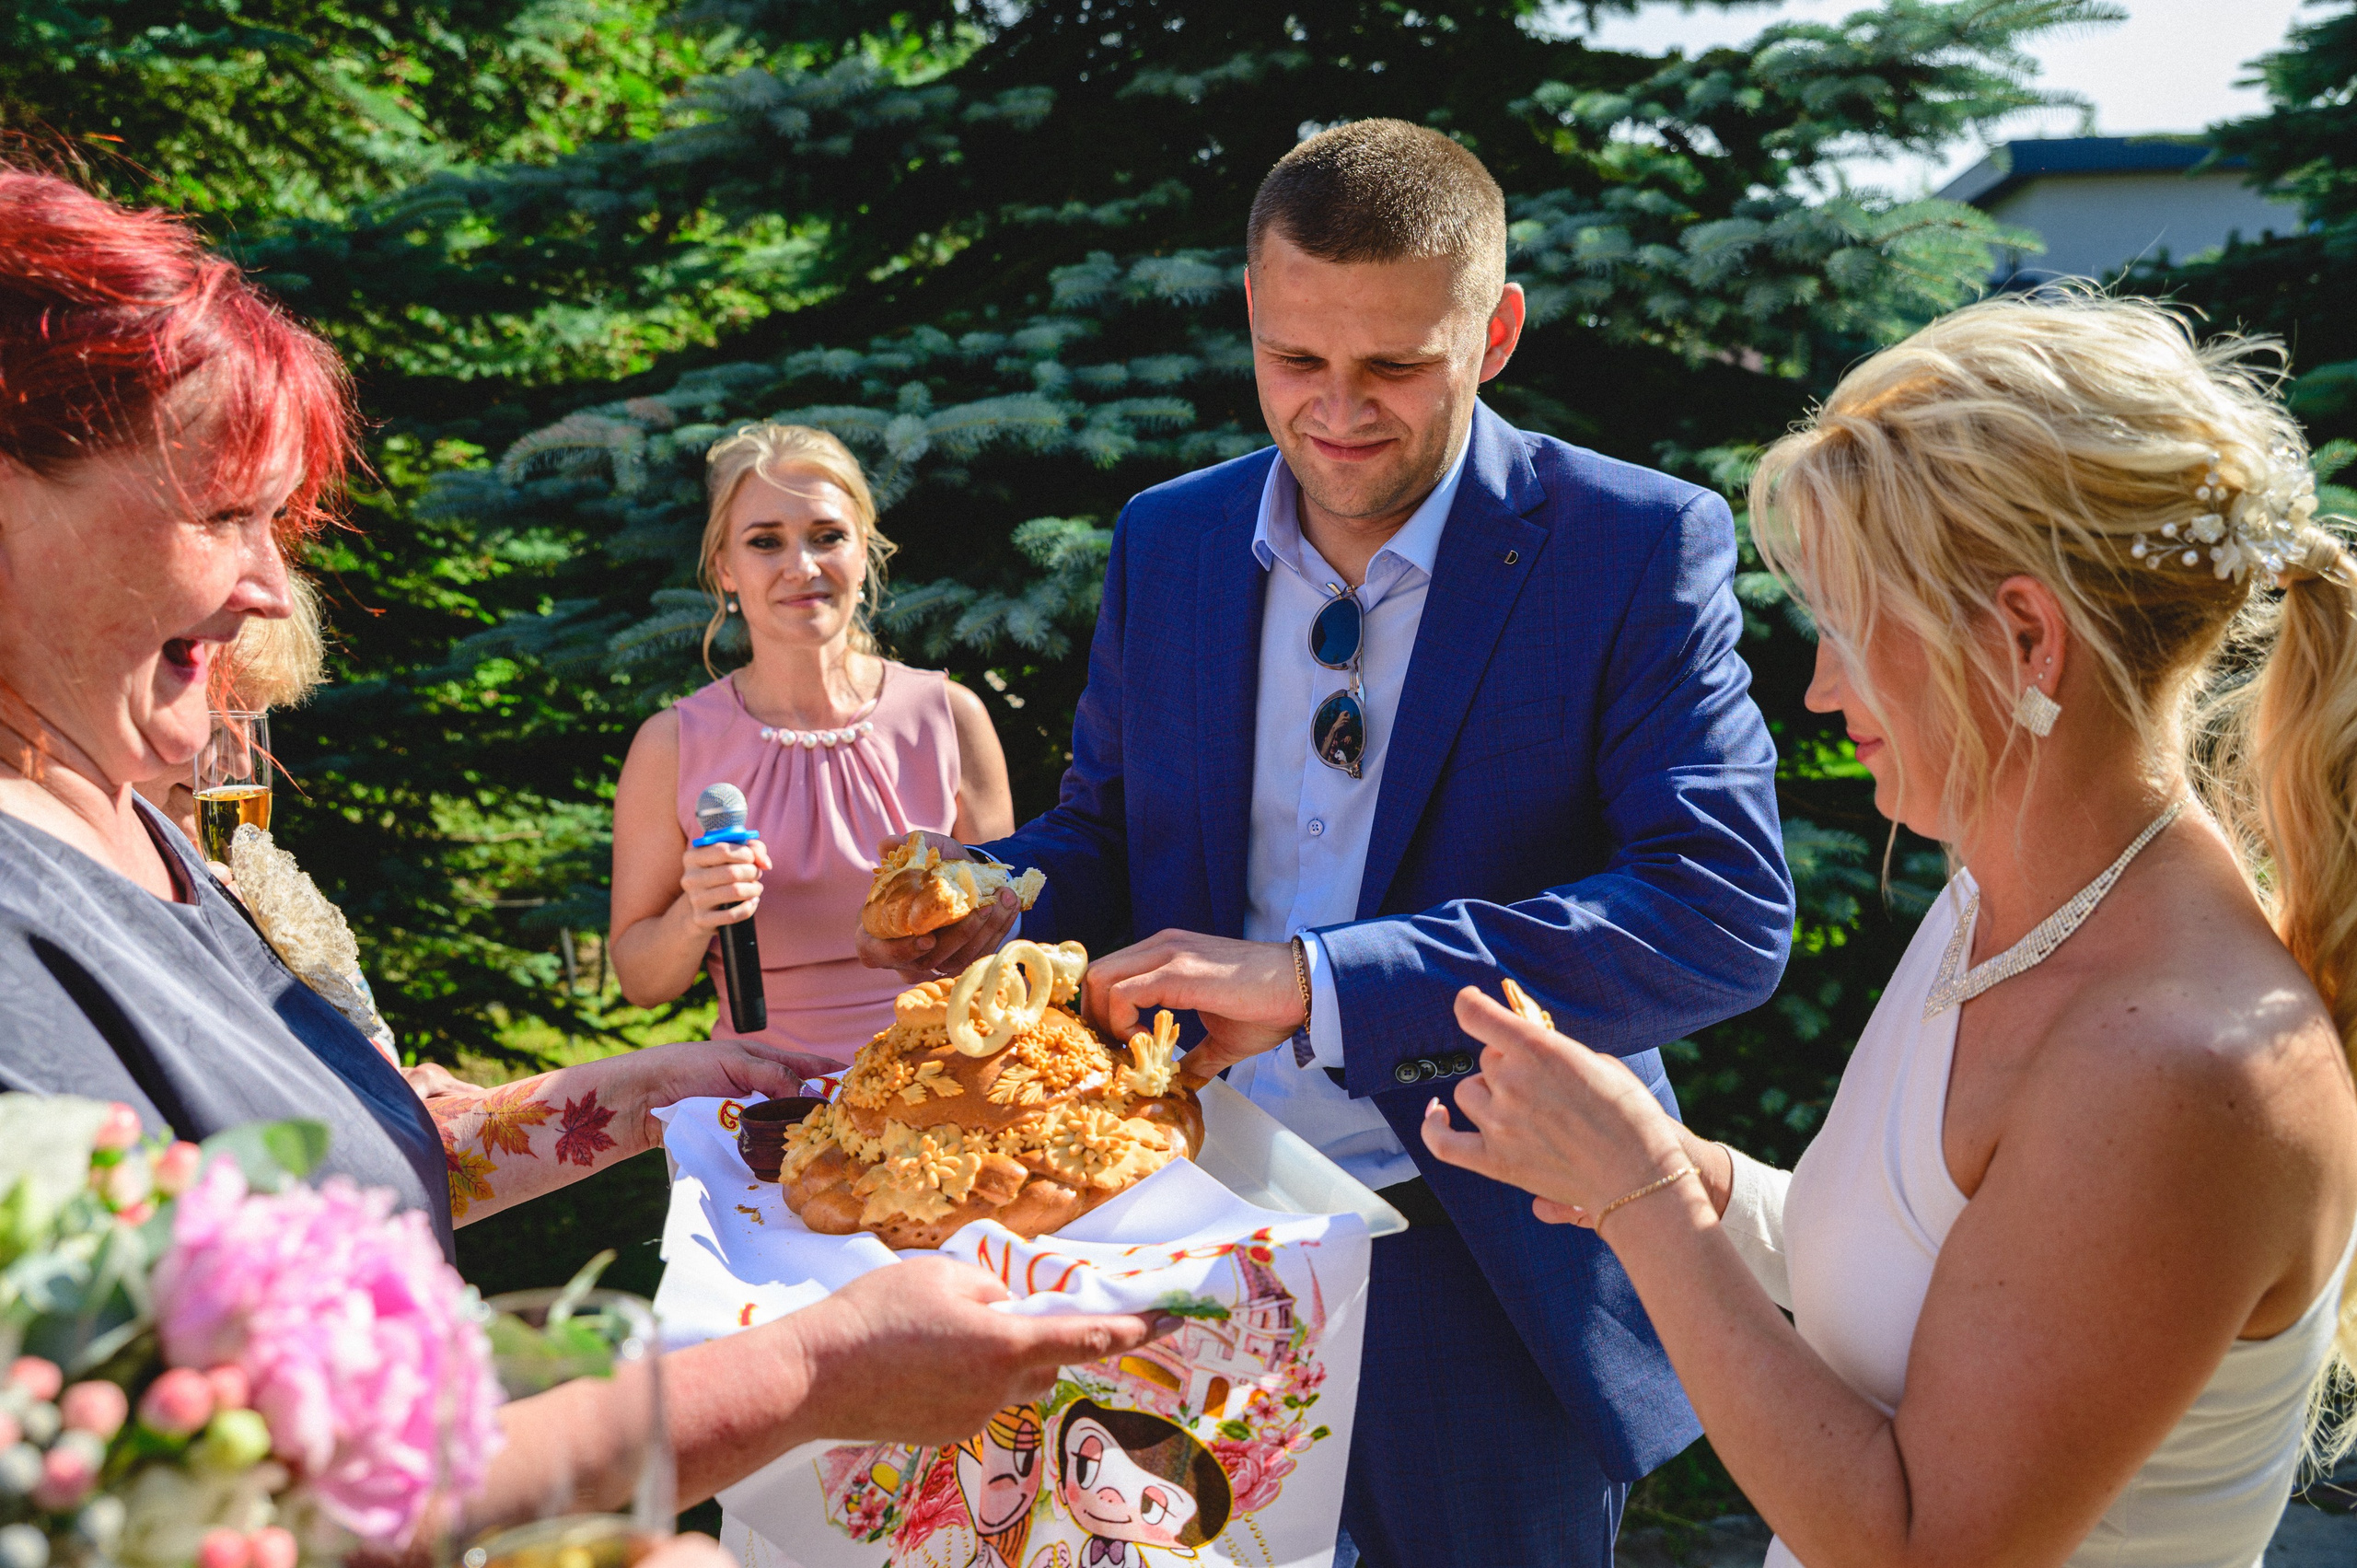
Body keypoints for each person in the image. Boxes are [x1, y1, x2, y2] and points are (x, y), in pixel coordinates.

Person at [0, 165, 1165, 1526]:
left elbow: (328, 1169)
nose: (270, 589)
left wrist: (685, 1076)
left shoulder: (135, 823)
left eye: (279, 522)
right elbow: (186, 1506)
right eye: (222, 516)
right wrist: (805, 1371)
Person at [860, 120, 1794, 1566]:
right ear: (1251, 311)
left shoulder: (1632, 541)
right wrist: (1000, 894)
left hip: (1485, 1262)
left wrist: (1323, 978)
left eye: (1396, 367)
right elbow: (1107, 828)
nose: (1339, 410)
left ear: (1497, 331)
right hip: (1170, 1229)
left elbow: (1720, 911)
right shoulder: (1166, 540)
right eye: (1297, 362)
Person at [1421, 295, 2357, 1567]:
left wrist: (1646, 1201)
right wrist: (1685, 1173)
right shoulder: (2006, 899)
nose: (1820, 687)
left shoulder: (2180, 1061)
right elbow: (1949, 1279)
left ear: (2026, 635)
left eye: (1855, 623)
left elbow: (1924, 1543)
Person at [610, 422, 1019, 1072]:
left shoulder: (951, 716)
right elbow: (641, 981)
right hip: (762, 1100)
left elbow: (1007, 935)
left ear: (865, 551)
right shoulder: (672, 744)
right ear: (725, 568)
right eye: (765, 542)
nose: (802, 566)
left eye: (827, 536)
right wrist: (696, 912)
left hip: (945, 1086)